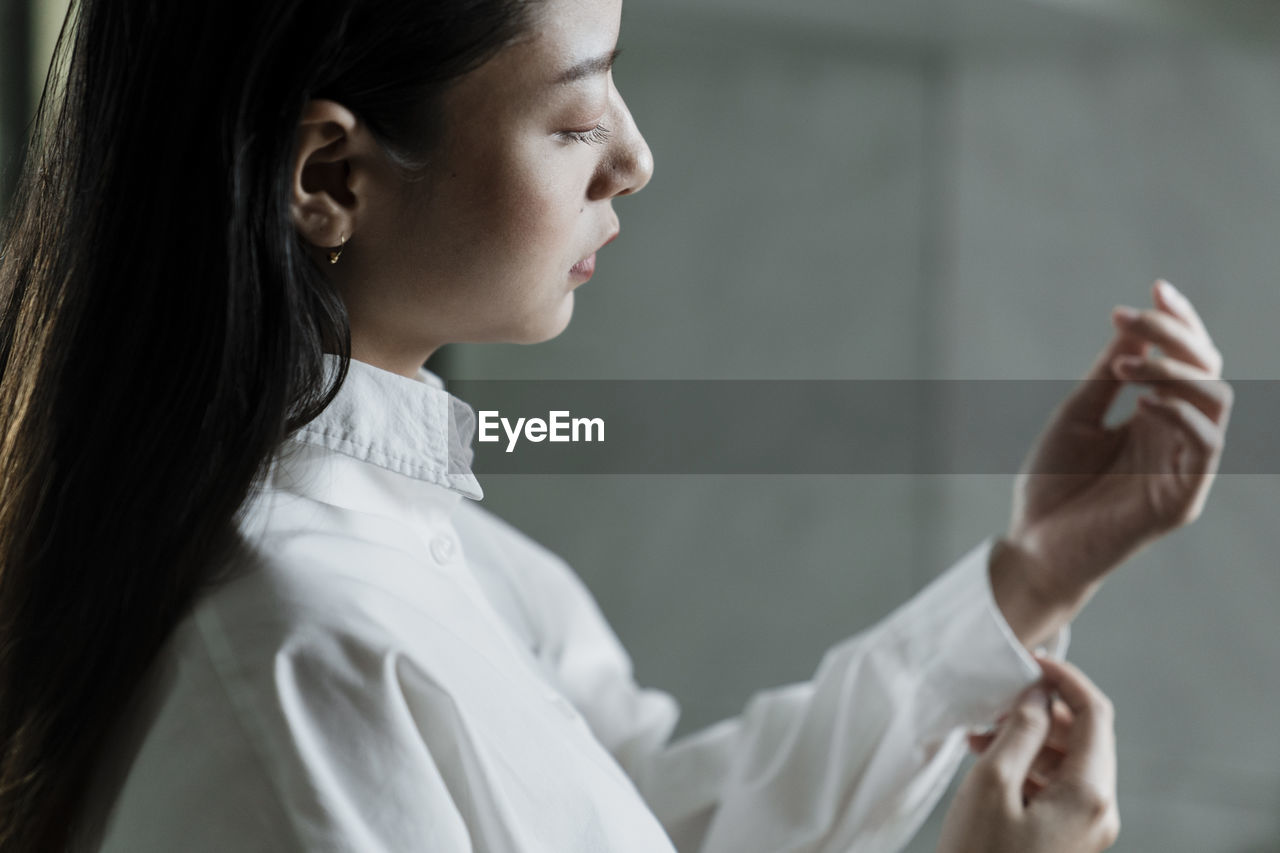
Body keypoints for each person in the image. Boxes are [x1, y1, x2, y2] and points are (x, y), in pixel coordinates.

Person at [0, 0, 1232, 850]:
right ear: (329, 178)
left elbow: (659, 821)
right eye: (577, 117)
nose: (635, 157)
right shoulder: (296, 651)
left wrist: (1031, 575)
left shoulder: (448, 555)